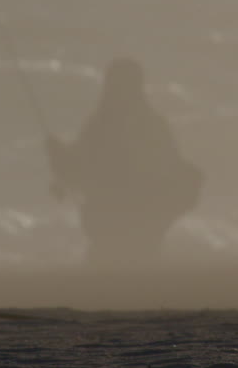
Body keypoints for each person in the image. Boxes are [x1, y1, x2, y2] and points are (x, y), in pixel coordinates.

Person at [45, 57, 203, 264]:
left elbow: (80, 170)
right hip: (146, 229)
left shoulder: (101, 125)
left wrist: (59, 159)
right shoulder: (154, 125)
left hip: (112, 228)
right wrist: (60, 158)